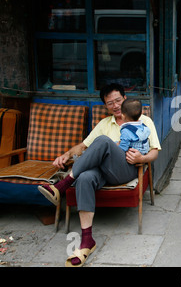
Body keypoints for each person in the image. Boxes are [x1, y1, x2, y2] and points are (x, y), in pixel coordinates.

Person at [38, 83, 161, 267]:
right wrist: (67, 154)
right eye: (110, 103)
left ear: (124, 99)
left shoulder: (143, 120)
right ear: (106, 106)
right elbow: (83, 146)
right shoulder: (104, 124)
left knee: (103, 141)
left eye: (118, 100)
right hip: (104, 171)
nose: (115, 105)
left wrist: (141, 158)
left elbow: (155, 151)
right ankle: (87, 241)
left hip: (126, 169)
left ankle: (63, 184)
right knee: (86, 178)